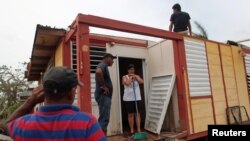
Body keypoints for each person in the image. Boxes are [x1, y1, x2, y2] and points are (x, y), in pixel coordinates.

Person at [0, 67, 107, 141]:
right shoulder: (87, 123)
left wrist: (31, 101)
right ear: (71, 92)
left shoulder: (22, 125)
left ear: (44, 92)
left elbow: (4, 128)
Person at [95, 53, 117, 135]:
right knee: (104, 119)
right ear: (107, 58)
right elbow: (98, 72)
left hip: (104, 96)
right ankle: (101, 138)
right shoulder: (102, 65)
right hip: (104, 96)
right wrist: (104, 86)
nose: (113, 61)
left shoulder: (103, 66)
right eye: (112, 59)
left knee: (103, 118)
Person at [122, 64, 144, 136]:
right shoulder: (124, 77)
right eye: (130, 69)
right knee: (130, 114)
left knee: (137, 114)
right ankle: (132, 129)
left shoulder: (137, 76)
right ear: (128, 70)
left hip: (137, 98)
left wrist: (136, 78)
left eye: (133, 69)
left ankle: (138, 129)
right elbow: (127, 83)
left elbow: (141, 82)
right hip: (128, 99)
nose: (132, 71)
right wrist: (131, 78)